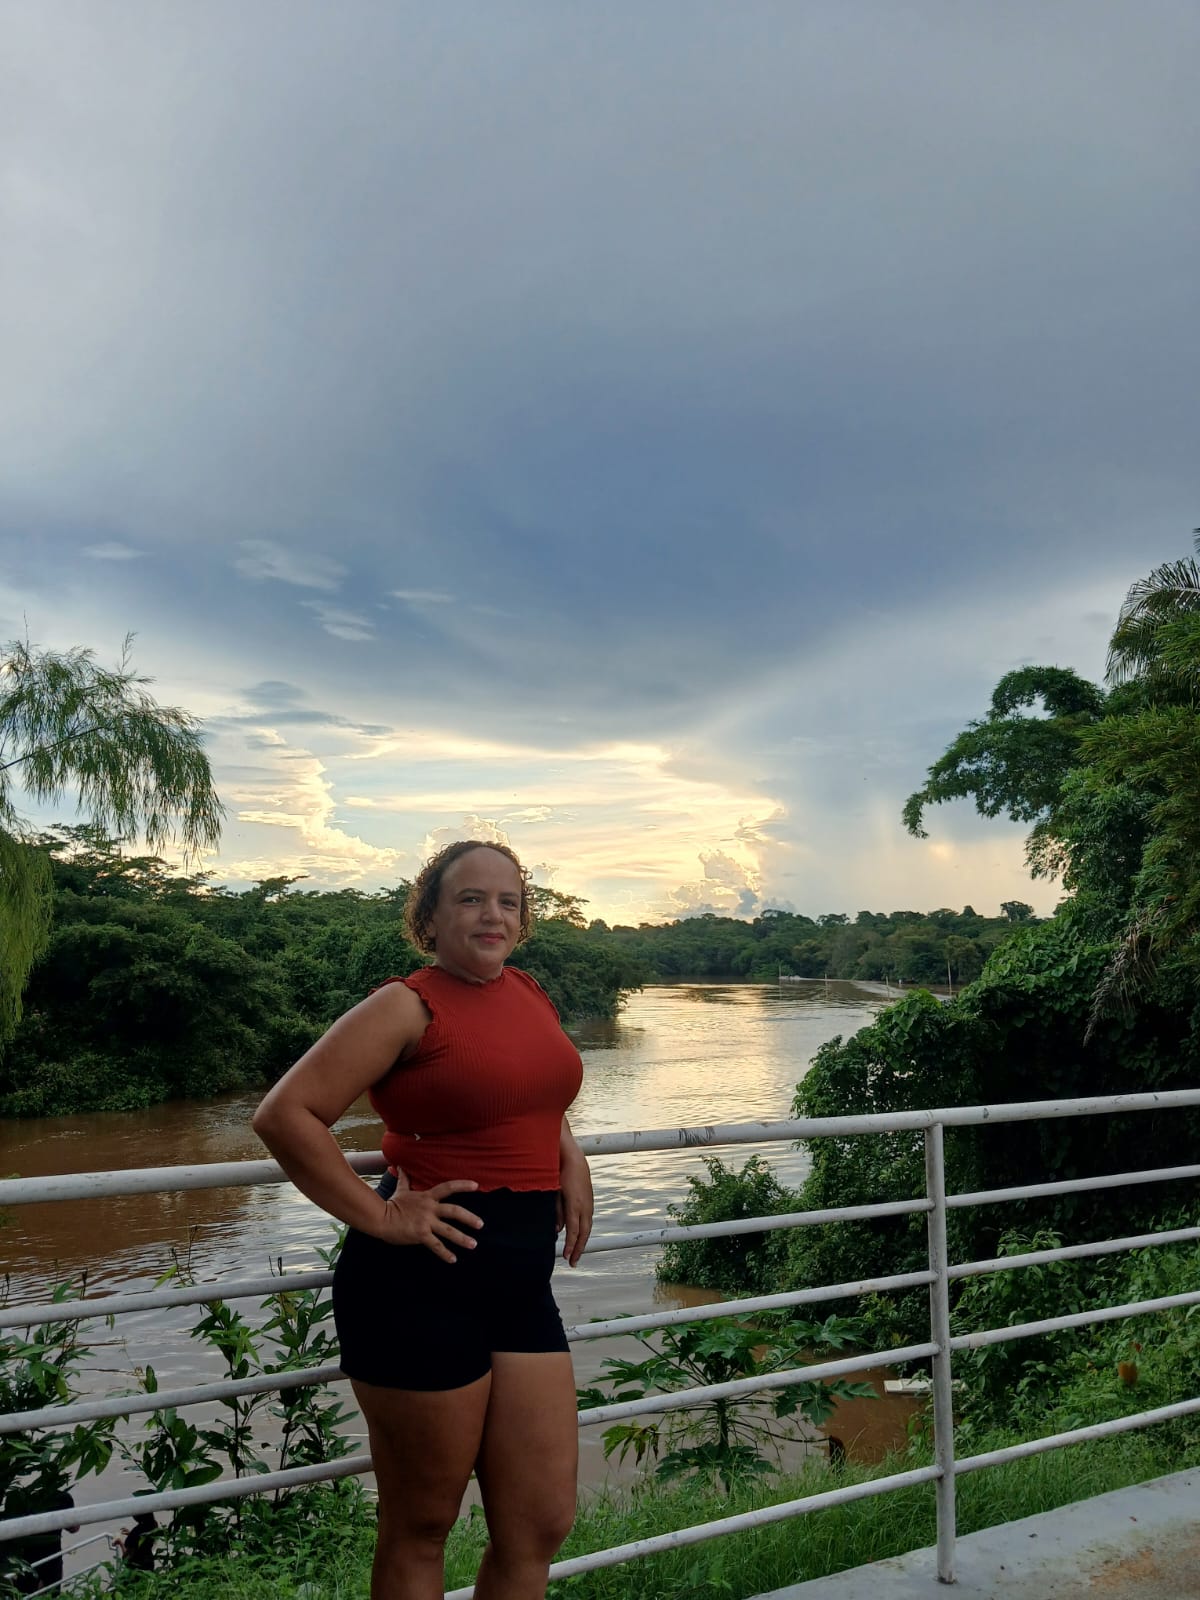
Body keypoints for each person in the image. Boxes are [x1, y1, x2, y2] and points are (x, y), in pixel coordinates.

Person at [253, 840, 593, 1600]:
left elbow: (528, 1089)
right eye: (470, 898)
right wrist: (380, 1216)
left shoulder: (527, 991)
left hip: (519, 1285)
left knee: (540, 1521)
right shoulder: (405, 1005)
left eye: (507, 901)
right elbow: (285, 1114)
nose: (492, 915)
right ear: (429, 918)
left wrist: (569, 1154)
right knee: (422, 1523)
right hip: (419, 1286)